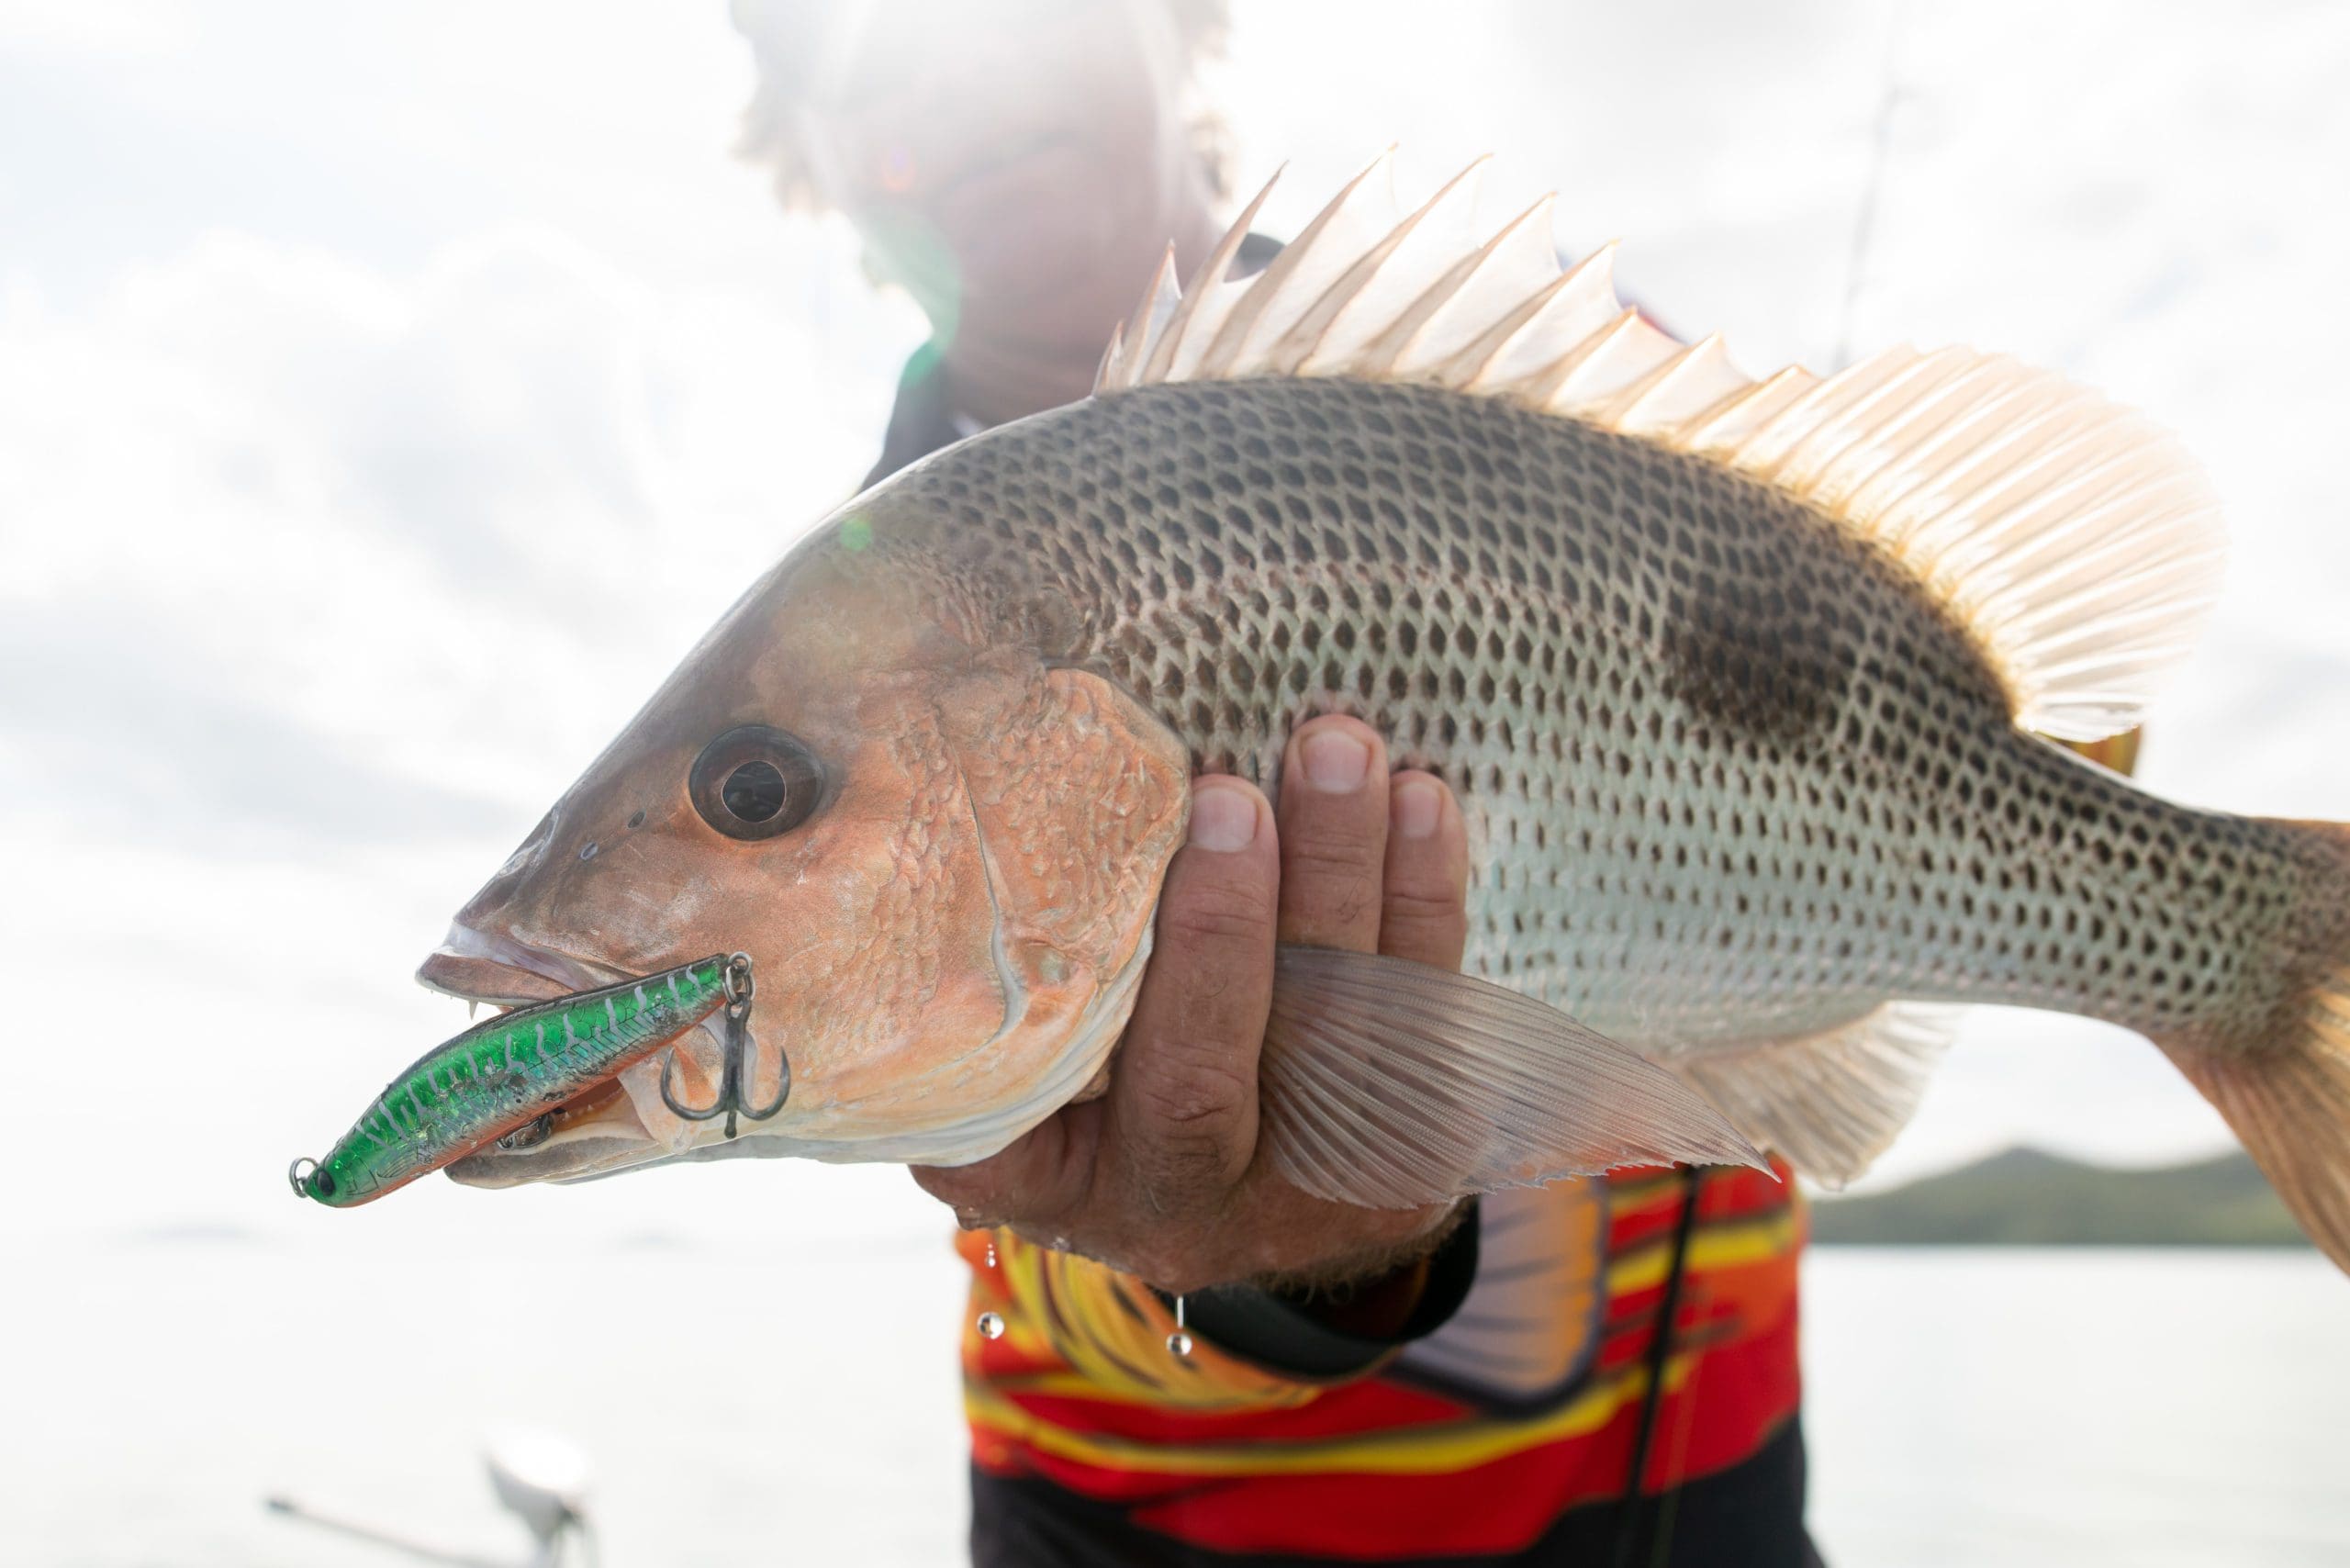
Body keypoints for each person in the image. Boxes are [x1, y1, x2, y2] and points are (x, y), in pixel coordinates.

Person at [731, 4, 1815, 1562]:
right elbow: (990, 1169)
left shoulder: (1576, 375)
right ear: (805, 149)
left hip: (1700, 1495)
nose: (958, 64)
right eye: (860, 49)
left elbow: (1947, 739)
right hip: (1138, 1530)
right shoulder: (818, 686)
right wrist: (1261, 1263)